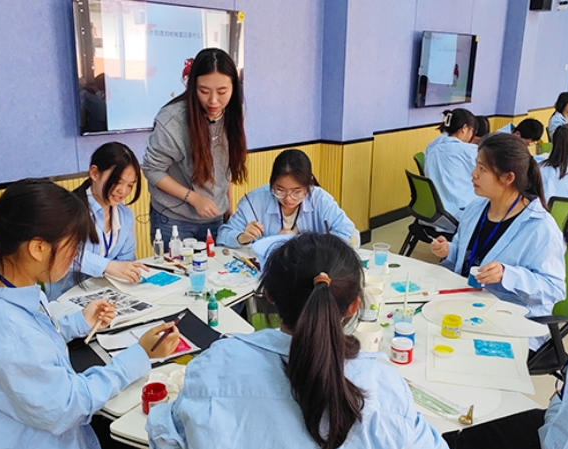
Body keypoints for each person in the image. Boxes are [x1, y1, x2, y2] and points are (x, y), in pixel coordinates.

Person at [147, 233, 450, 449]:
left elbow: (169, 444)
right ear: (353, 306)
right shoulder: (383, 385)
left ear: (269, 295)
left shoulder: (216, 365)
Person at [0, 179, 180, 449]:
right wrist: (140, 354)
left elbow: (34, 332)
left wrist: (79, 321)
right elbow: (68, 406)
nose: (76, 256)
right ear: (38, 248)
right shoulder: (8, 331)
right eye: (73, 247)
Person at [444, 183, 568, 449]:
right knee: (461, 433)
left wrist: (558, 404)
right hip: (565, 424)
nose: (473, 175)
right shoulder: (476, 208)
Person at [431, 134, 565, 350]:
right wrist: (449, 250)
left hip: (509, 320)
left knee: (458, 356)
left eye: (482, 169)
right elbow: (469, 257)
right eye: (476, 165)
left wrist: (507, 274)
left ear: (507, 178)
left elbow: (554, 288)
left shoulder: (540, 227)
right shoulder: (476, 208)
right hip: (466, 304)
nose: (473, 174)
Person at [142, 48, 247, 242]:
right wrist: (193, 198)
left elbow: (226, 166)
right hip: (173, 218)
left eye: (222, 91)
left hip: (214, 215)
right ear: (192, 87)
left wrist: (228, 207)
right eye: (204, 91)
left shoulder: (234, 115)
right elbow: (152, 169)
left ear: (234, 87)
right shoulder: (173, 120)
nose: (213, 100)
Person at [47, 142, 148, 300]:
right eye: (117, 182)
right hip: (67, 298)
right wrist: (106, 266)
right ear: (94, 173)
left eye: (130, 185)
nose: (123, 191)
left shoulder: (125, 216)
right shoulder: (68, 211)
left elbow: (125, 261)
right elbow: (59, 254)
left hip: (107, 295)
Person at [217, 149, 355, 247]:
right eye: (280, 190)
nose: (288, 199)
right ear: (271, 183)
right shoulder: (254, 201)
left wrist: (310, 244)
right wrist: (242, 237)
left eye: (296, 192)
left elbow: (346, 230)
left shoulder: (320, 199)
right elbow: (223, 235)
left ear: (308, 185)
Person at [424, 108, 478, 223]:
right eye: (472, 130)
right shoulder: (470, 151)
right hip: (457, 212)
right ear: (464, 128)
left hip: (433, 211)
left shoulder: (431, 146)